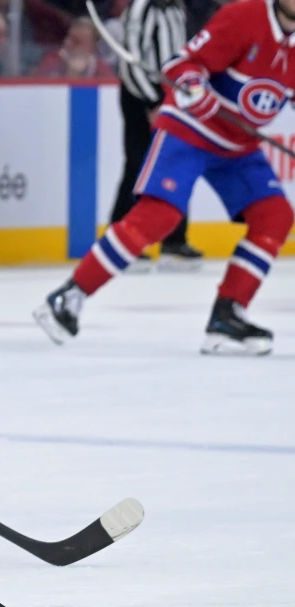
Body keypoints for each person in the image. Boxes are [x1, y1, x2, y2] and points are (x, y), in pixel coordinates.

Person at [33, 0, 295, 356]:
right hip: (191, 130)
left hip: (239, 144)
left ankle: (227, 317)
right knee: (160, 215)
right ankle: (69, 296)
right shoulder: (245, 16)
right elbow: (181, 64)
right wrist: (194, 87)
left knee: (274, 215)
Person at [112, 0, 202, 271]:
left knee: (177, 162)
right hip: (141, 95)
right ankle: (119, 236)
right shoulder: (141, 8)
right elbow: (131, 61)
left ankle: (174, 239)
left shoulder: (175, 8)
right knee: (138, 164)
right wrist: (151, 101)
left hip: (170, 92)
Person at [32, 18, 115, 77]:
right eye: (68, 37)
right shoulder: (52, 59)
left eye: (76, 42)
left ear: (92, 47)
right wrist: (70, 75)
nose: (67, 43)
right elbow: (37, 92)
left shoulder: (101, 69)